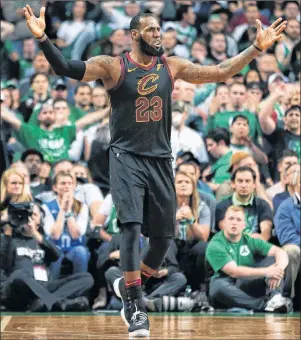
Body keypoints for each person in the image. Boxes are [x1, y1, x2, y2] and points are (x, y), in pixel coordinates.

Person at [23, 5, 286, 336]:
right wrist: (43, 37)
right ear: (134, 35)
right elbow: (65, 67)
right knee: (131, 227)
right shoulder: (112, 66)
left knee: (163, 240)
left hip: (160, 159)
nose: (158, 34)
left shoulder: (171, 66)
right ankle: (135, 304)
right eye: (150, 30)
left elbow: (219, 72)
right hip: (125, 156)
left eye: (159, 30)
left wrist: (256, 48)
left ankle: (129, 287)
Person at [1, 203, 93, 312]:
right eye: (25, 215)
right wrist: (7, 232)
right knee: (19, 274)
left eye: (33, 215)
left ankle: (43, 302)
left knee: (87, 278)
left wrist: (35, 233)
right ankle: (59, 303)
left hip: (44, 286)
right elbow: (4, 266)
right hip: (20, 289)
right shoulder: (10, 240)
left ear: (40, 220)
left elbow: (57, 255)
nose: (29, 218)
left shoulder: (41, 240)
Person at [205, 205, 293, 313]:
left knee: (273, 259)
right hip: (226, 285)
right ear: (224, 223)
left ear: (244, 225)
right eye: (231, 219)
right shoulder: (216, 244)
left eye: (238, 220)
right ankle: (264, 305)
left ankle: (275, 298)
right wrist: (267, 272)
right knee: (217, 287)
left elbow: (280, 252)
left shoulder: (249, 240)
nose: (234, 222)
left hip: (246, 283)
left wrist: (277, 271)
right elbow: (234, 271)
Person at [215, 166, 273, 241]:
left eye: (247, 181)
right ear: (233, 184)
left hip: (257, 246)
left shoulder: (263, 205)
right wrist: (251, 238)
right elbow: (227, 231)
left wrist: (261, 238)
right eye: (240, 181)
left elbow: (265, 232)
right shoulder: (222, 206)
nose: (244, 185)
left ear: (254, 184)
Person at [274, 170, 300, 299]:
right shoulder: (285, 207)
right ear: (295, 185)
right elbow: (288, 238)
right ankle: (286, 296)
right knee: (291, 250)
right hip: (297, 252)